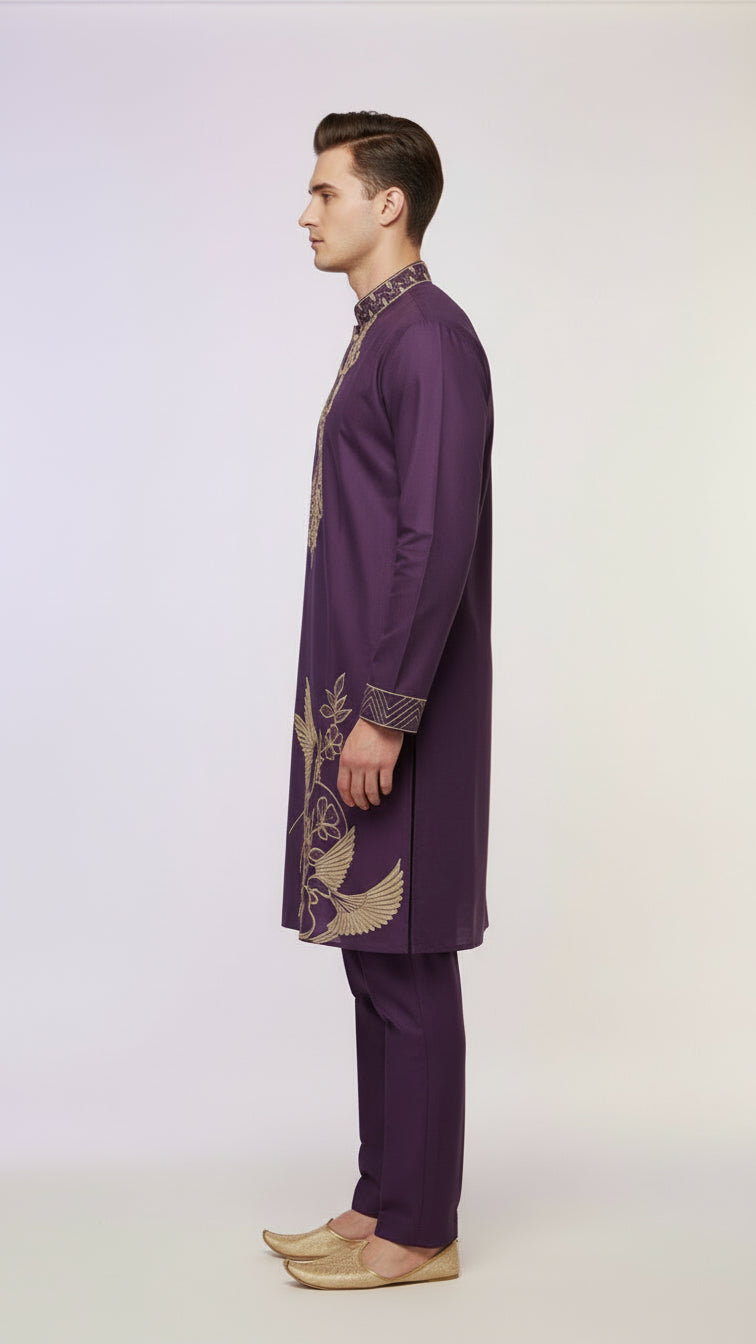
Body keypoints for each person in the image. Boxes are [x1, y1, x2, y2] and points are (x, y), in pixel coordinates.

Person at [263, 110, 494, 1290]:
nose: (306, 213)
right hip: (364, 704)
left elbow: (435, 536)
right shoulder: (382, 334)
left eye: (326, 191)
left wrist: (389, 712)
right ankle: (380, 1201)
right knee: (372, 956)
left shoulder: (429, 337)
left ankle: (422, 1230)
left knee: (408, 959)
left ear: (388, 203)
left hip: (399, 714)